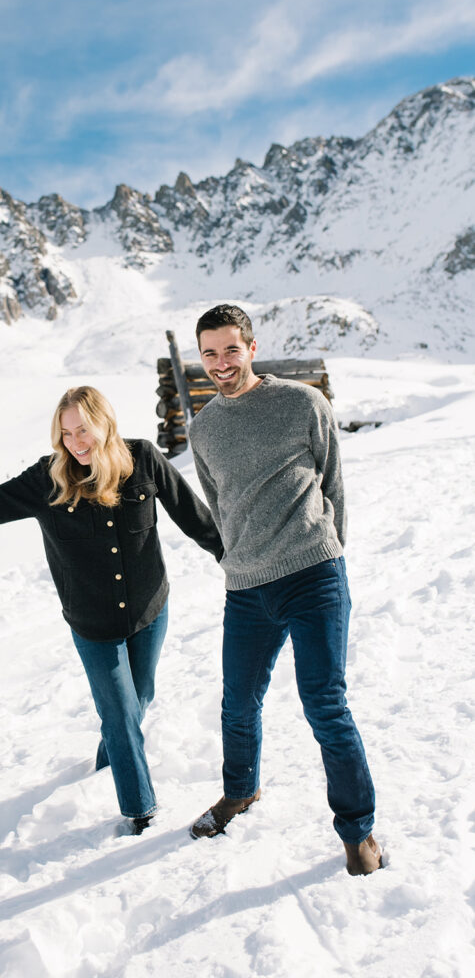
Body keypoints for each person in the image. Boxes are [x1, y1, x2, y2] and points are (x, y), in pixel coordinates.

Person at [0, 385, 222, 835]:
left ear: (105, 425)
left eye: (83, 430)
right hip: (93, 624)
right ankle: (140, 810)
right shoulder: (48, 480)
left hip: (149, 609)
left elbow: (192, 513)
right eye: (66, 434)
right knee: (121, 714)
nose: (76, 442)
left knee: (139, 698)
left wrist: (229, 555)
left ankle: (111, 762)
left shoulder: (143, 459)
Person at [187, 304, 382, 876]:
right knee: (236, 702)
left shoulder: (302, 403)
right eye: (209, 352)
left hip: (312, 575)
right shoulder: (203, 427)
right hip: (247, 587)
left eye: (230, 348)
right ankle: (240, 790)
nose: (221, 362)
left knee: (324, 704)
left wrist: (325, 553)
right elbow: (219, 503)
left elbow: (332, 483)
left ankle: (357, 831)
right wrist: (238, 560)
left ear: (251, 346)